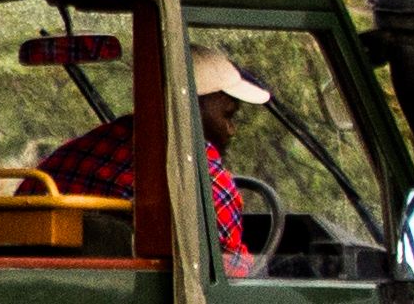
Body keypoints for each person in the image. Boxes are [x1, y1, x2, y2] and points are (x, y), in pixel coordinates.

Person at [42, 42, 263, 272]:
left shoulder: (79, 153)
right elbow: (231, 272)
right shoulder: (205, 177)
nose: (231, 130)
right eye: (228, 115)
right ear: (190, 105)